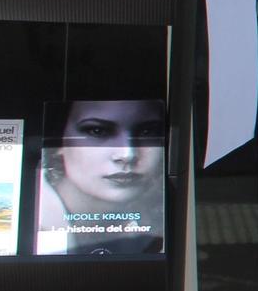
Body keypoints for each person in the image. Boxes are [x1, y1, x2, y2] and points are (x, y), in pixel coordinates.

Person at [35, 99, 168, 254]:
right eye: (97, 131)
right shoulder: (28, 221)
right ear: (57, 140)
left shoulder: (152, 230)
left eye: (148, 132)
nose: (127, 155)